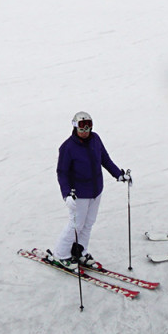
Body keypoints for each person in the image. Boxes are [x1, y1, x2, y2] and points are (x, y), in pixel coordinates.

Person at [52, 111, 128, 266]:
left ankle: (80, 251)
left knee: (88, 224)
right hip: (78, 194)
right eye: (82, 127)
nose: (85, 131)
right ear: (75, 126)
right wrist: (66, 194)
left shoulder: (95, 139)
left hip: (96, 190)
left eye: (88, 126)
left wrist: (119, 175)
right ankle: (61, 254)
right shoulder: (67, 147)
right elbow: (62, 173)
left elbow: (105, 159)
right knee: (76, 225)